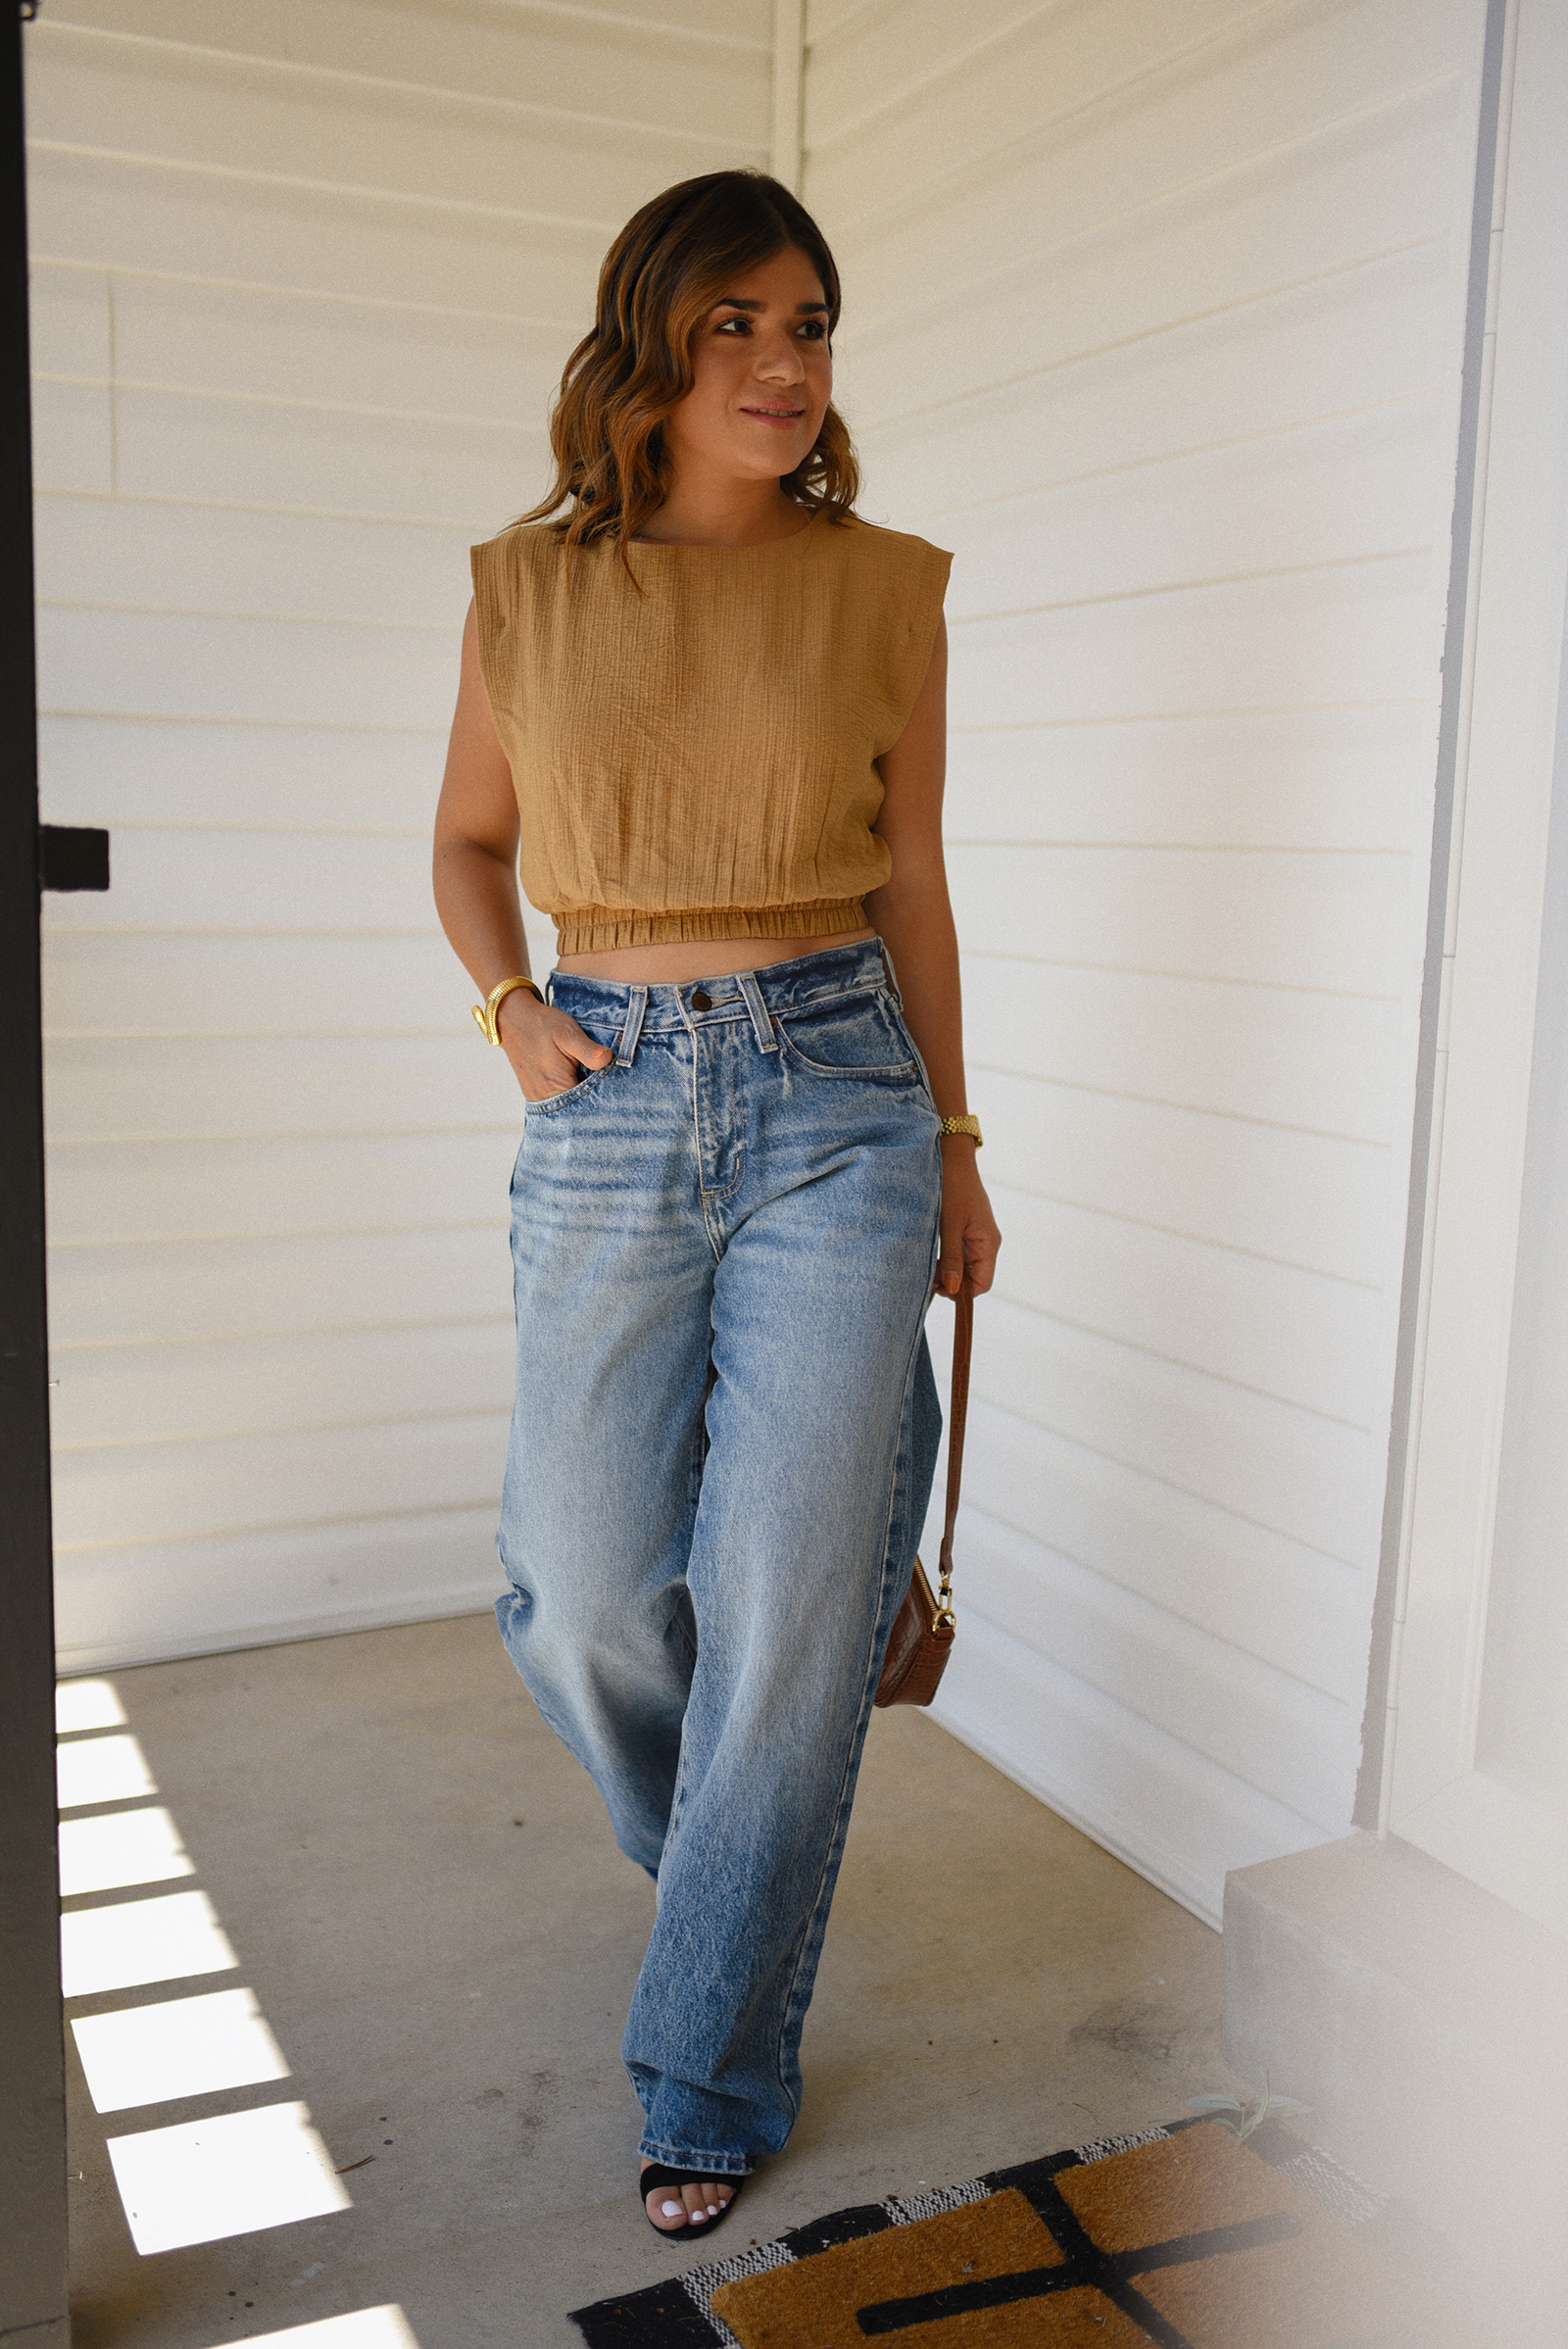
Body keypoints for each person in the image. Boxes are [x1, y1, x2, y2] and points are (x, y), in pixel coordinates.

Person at [432, 170, 1000, 2238]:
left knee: (780, 1601)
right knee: (577, 1586)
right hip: (607, 1087)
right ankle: (728, 1884)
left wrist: (953, 1145)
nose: (783, 360)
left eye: (811, 322)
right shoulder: (527, 583)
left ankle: (708, 2059)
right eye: (738, 322)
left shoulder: (888, 582)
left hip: (843, 1095)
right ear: (652, 349)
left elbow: (913, 877)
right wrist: (512, 1015)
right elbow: (468, 840)